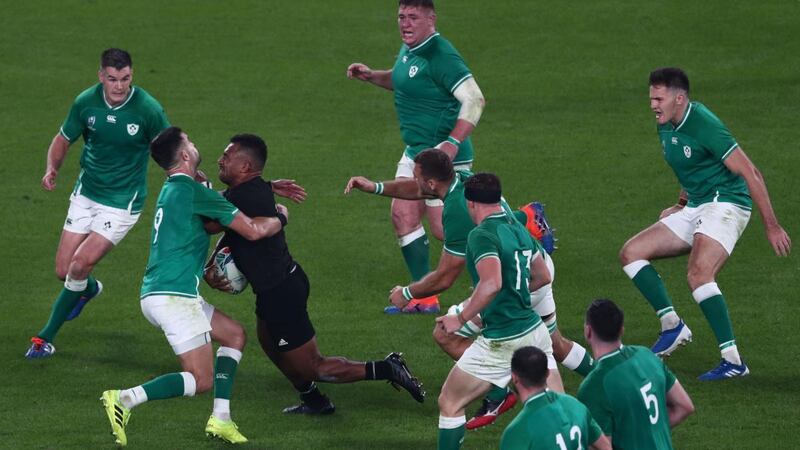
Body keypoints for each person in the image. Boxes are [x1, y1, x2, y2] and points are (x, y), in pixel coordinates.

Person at [345, 149, 590, 429]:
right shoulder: (463, 179)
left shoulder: (461, 214)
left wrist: (407, 294)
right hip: (536, 269)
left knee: (446, 336)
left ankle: (500, 391)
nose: (416, 183)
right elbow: (416, 189)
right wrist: (375, 187)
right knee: (555, 344)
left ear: (432, 183)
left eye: (418, 178)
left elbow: (445, 277)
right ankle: (603, 376)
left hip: (508, 285)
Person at [203, 134, 425, 415]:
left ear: (245, 166)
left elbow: (210, 223)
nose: (219, 160)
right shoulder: (252, 189)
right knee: (270, 343)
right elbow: (231, 223)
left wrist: (190, 188)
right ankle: (314, 400)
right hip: (280, 286)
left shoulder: (241, 196)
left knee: (315, 366)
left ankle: (387, 368)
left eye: (226, 157)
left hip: (281, 293)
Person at [100, 127, 287, 446]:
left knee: (234, 335)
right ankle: (125, 399)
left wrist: (264, 187)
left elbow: (206, 206)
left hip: (165, 292)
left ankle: (221, 419)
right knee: (201, 379)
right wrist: (281, 216)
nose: (197, 146)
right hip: (174, 297)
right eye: (191, 142)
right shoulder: (193, 192)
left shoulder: (174, 188)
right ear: (185, 155)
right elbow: (254, 230)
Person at [619, 67, 791, 380]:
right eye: (651, 98)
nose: (653, 104)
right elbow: (691, 166)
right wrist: (680, 204)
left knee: (699, 274)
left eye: (658, 98)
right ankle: (672, 325)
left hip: (727, 203)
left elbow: (751, 173)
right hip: (697, 205)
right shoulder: (665, 124)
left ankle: (734, 361)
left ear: (679, 98)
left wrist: (772, 225)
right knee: (631, 252)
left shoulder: (704, 124)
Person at [26, 48, 170, 358]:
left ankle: (44, 339)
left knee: (79, 265)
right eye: (113, 79)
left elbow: (170, 146)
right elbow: (63, 138)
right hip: (87, 193)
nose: (120, 86)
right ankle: (89, 289)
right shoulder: (86, 102)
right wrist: (53, 168)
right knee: (64, 270)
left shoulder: (147, 109)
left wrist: (190, 176)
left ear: (132, 75)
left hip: (122, 203)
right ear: (101, 76)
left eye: (126, 79)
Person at [347, 0, 485, 314]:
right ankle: (424, 296)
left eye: (413, 17)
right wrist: (372, 76)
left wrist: (450, 144)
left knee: (444, 230)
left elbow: (475, 100)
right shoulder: (411, 48)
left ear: (430, 19)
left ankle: (523, 227)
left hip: (443, 160)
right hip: (415, 153)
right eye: (401, 17)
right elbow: (403, 80)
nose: (405, 23)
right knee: (402, 216)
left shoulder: (441, 54)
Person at [433, 173, 562, 450]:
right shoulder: (517, 227)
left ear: (470, 204)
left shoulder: (481, 235)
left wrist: (461, 318)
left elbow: (491, 283)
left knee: (450, 402)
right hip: (535, 333)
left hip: (503, 340)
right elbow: (541, 276)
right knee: (558, 412)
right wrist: (514, 293)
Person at [577, 299, 694, 449]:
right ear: (621, 330)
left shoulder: (595, 386)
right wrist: (648, 434)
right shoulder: (647, 355)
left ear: (588, 331)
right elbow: (684, 406)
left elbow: (602, 447)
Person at [500, 346, 611, 450]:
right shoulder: (576, 406)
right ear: (548, 373)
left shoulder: (517, 431)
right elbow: (606, 447)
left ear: (514, 377)